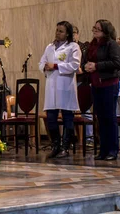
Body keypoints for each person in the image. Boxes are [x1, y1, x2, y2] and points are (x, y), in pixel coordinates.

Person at [39, 21, 81, 158]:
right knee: (51, 117)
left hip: (65, 86)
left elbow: (74, 65)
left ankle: (65, 147)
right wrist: (44, 66)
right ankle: (55, 146)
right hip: (51, 86)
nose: (58, 33)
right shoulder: (49, 47)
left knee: (68, 117)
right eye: (57, 30)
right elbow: (41, 62)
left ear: (67, 33)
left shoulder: (73, 47)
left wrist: (56, 66)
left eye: (61, 31)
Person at [84, 19, 120, 161]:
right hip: (96, 84)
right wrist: (86, 66)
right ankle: (103, 150)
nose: (94, 30)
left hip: (109, 84)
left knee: (109, 117)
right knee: (100, 118)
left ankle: (112, 150)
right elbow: (87, 60)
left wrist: (97, 66)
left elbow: (117, 63)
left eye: (98, 29)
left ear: (106, 31)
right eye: (94, 28)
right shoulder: (93, 45)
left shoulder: (111, 44)